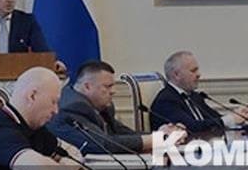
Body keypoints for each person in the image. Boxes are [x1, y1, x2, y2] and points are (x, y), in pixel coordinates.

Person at [49, 60, 184, 152]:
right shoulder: (73, 107)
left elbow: (124, 134)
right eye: (107, 86)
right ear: (87, 86)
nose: (113, 91)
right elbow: (103, 144)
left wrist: (162, 135)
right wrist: (158, 139)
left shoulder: (102, 106)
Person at [150, 50, 248, 133]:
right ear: (177, 75)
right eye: (193, 71)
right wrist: (230, 119)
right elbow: (191, 127)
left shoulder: (194, 96)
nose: (199, 74)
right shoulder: (166, 101)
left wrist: (237, 118)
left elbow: (214, 119)